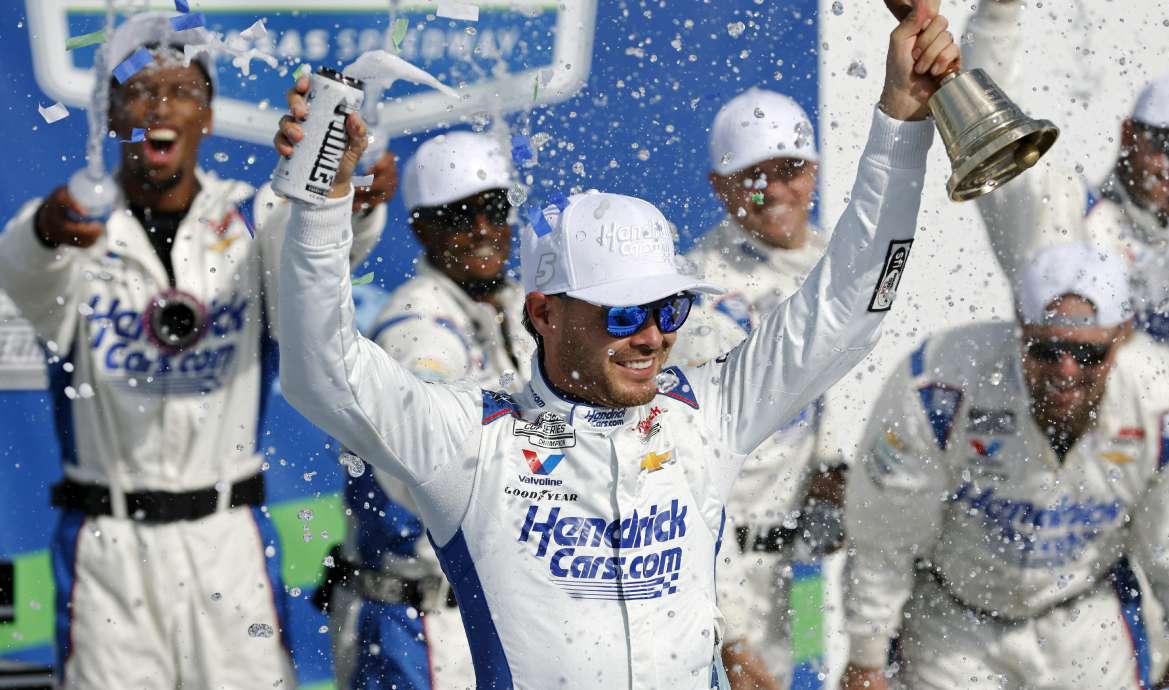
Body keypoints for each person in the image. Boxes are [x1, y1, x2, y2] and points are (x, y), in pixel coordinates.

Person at [275, 0, 957, 684]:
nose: (654, 337)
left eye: (668, 307)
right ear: (543, 312)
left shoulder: (706, 415)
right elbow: (320, 372)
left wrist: (901, 119)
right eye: (624, 315)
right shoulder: (474, 441)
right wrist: (319, 206)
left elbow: (853, 300)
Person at [0, 12, 394, 689]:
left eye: (182, 89)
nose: (159, 105)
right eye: (139, 91)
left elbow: (321, 252)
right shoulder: (76, 228)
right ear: (112, 115)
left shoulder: (250, 218)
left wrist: (353, 199)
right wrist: (45, 228)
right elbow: (22, 268)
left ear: (207, 117)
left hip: (226, 543)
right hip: (110, 546)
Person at [840, 243, 1169, 690]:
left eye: (1088, 355)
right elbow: (883, 532)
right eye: (1046, 350)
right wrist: (866, 657)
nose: (1065, 372)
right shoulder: (938, 385)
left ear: (1121, 336)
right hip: (955, 618)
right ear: (1020, 329)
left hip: (1087, 616)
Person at [323, 130, 533, 690]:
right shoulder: (415, 324)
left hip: (491, 618)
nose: (484, 229)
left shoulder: (517, 309)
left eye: (494, 208)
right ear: (422, 228)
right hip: (418, 627)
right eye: (460, 216)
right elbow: (446, 464)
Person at [962, 0, 1169, 418]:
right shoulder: (1064, 215)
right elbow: (993, 137)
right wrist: (998, 12)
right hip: (1096, 467)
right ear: (1129, 135)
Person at [671, 88, 846, 689]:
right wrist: (731, 637)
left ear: (814, 171)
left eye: (789, 170)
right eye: (752, 176)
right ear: (720, 186)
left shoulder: (838, 265)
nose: (774, 190)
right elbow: (688, 475)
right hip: (730, 573)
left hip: (807, 572)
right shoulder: (699, 295)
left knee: (811, 682)